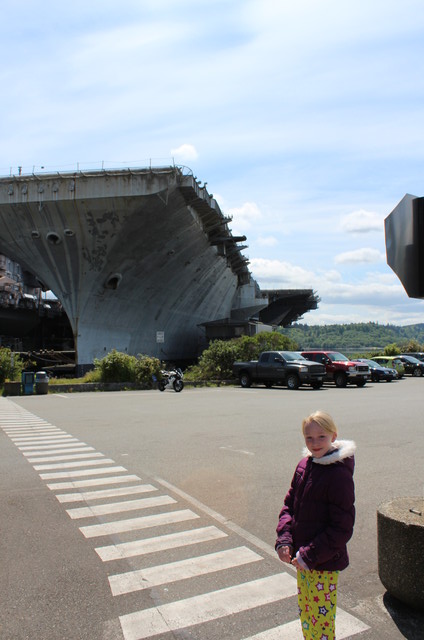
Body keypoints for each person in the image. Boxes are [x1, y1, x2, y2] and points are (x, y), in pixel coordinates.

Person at [275, 410, 355, 640]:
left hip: (324, 563)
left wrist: (309, 555)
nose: (315, 443)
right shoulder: (305, 465)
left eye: (321, 437)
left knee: (322, 623)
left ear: (333, 435)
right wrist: (284, 539)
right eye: (309, 438)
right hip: (302, 560)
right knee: (307, 616)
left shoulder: (338, 474)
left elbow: (342, 527)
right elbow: (289, 505)